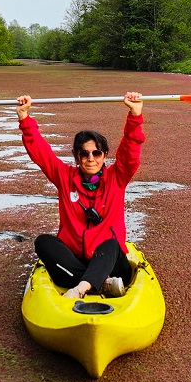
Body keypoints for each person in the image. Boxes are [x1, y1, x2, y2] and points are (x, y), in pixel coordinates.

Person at [16, 91, 144, 299]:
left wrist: (135, 116)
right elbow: (41, 153)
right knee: (43, 242)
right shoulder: (64, 177)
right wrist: (24, 117)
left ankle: (80, 288)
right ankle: (97, 284)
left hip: (111, 264)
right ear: (76, 157)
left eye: (96, 153)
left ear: (104, 156)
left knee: (111, 244)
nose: (90, 159)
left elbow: (130, 151)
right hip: (74, 261)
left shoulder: (117, 177)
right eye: (84, 154)